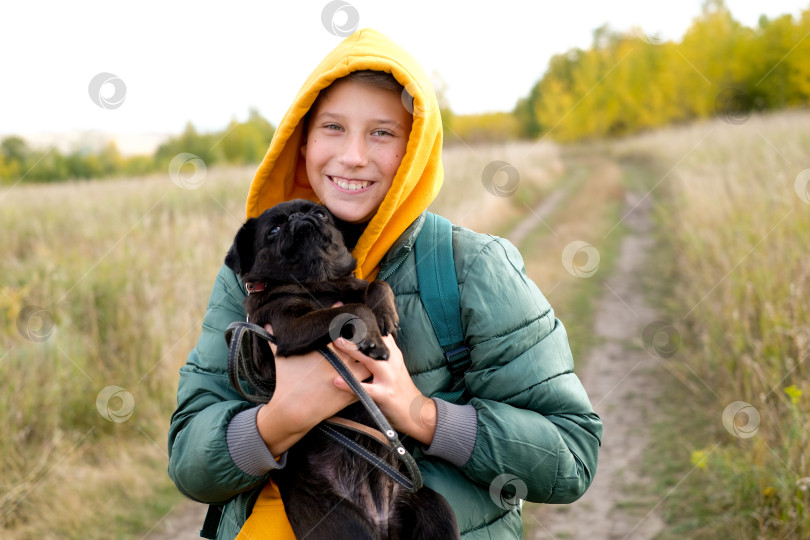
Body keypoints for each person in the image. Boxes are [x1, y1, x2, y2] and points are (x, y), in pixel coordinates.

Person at [168, 28, 602, 539]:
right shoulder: (252, 272)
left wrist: (422, 414)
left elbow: (572, 456)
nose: (353, 156)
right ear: (301, 140)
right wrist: (279, 420)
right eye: (333, 127)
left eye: (382, 133)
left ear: (415, 150)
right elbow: (189, 462)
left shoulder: (475, 267)